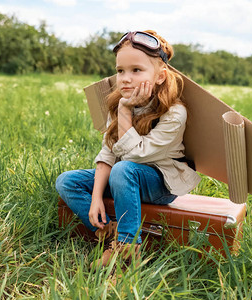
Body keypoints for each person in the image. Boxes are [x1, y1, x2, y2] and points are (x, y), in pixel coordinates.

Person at [56, 30, 201, 268]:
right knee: (67, 181)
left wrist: (125, 112)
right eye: (120, 70)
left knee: (124, 169)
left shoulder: (174, 112)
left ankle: (127, 251)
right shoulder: (119, 103)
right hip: (122, 175)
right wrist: (95, 199)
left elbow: (137, 155)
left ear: (160, 76)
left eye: (136, 70)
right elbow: (107, 154)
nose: (125, 78)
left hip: (160, 182)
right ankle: (108, 235)